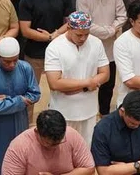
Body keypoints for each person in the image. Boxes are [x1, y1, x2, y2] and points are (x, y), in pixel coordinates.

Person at [44, 11, 110, 144]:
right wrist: (88, 83)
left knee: (87, 150)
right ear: (68, 28)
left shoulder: (96, 43)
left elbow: (105, 74)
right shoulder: (55, 47)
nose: (83, 38)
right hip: (64, 112)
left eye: (86, 34)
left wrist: (75, 87)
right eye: (79, 35)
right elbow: (55, 83)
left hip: (89, 111)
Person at [0, 37, 41, 170]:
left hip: (19, 120)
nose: (12, 65)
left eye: (15, 60)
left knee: (19, 156)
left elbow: (35, 94)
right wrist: (19, 100)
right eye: (7, 61)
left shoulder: (25, 68)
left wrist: (8, 99)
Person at [75, 0, 127, 116]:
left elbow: (122, 15)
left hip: (110, 48)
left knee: (108, 84)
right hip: (90, 47)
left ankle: (104, 113)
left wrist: (113, 28)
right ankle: (86, 112)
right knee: (88, 82)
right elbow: (85, 24)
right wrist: (109, 31)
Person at [91, 90, 140, 175]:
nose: (137, 126)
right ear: (122, 111)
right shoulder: (103, 129)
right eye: (132, 123)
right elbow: (103, 171)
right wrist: (139, 165)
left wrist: (124, 168)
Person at [2, 108, 94, 175]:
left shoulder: (71, 135)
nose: (54, 146)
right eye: (48, 144)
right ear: (37, 132)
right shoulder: (19, 146)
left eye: (58, 142)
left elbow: (89, 169)